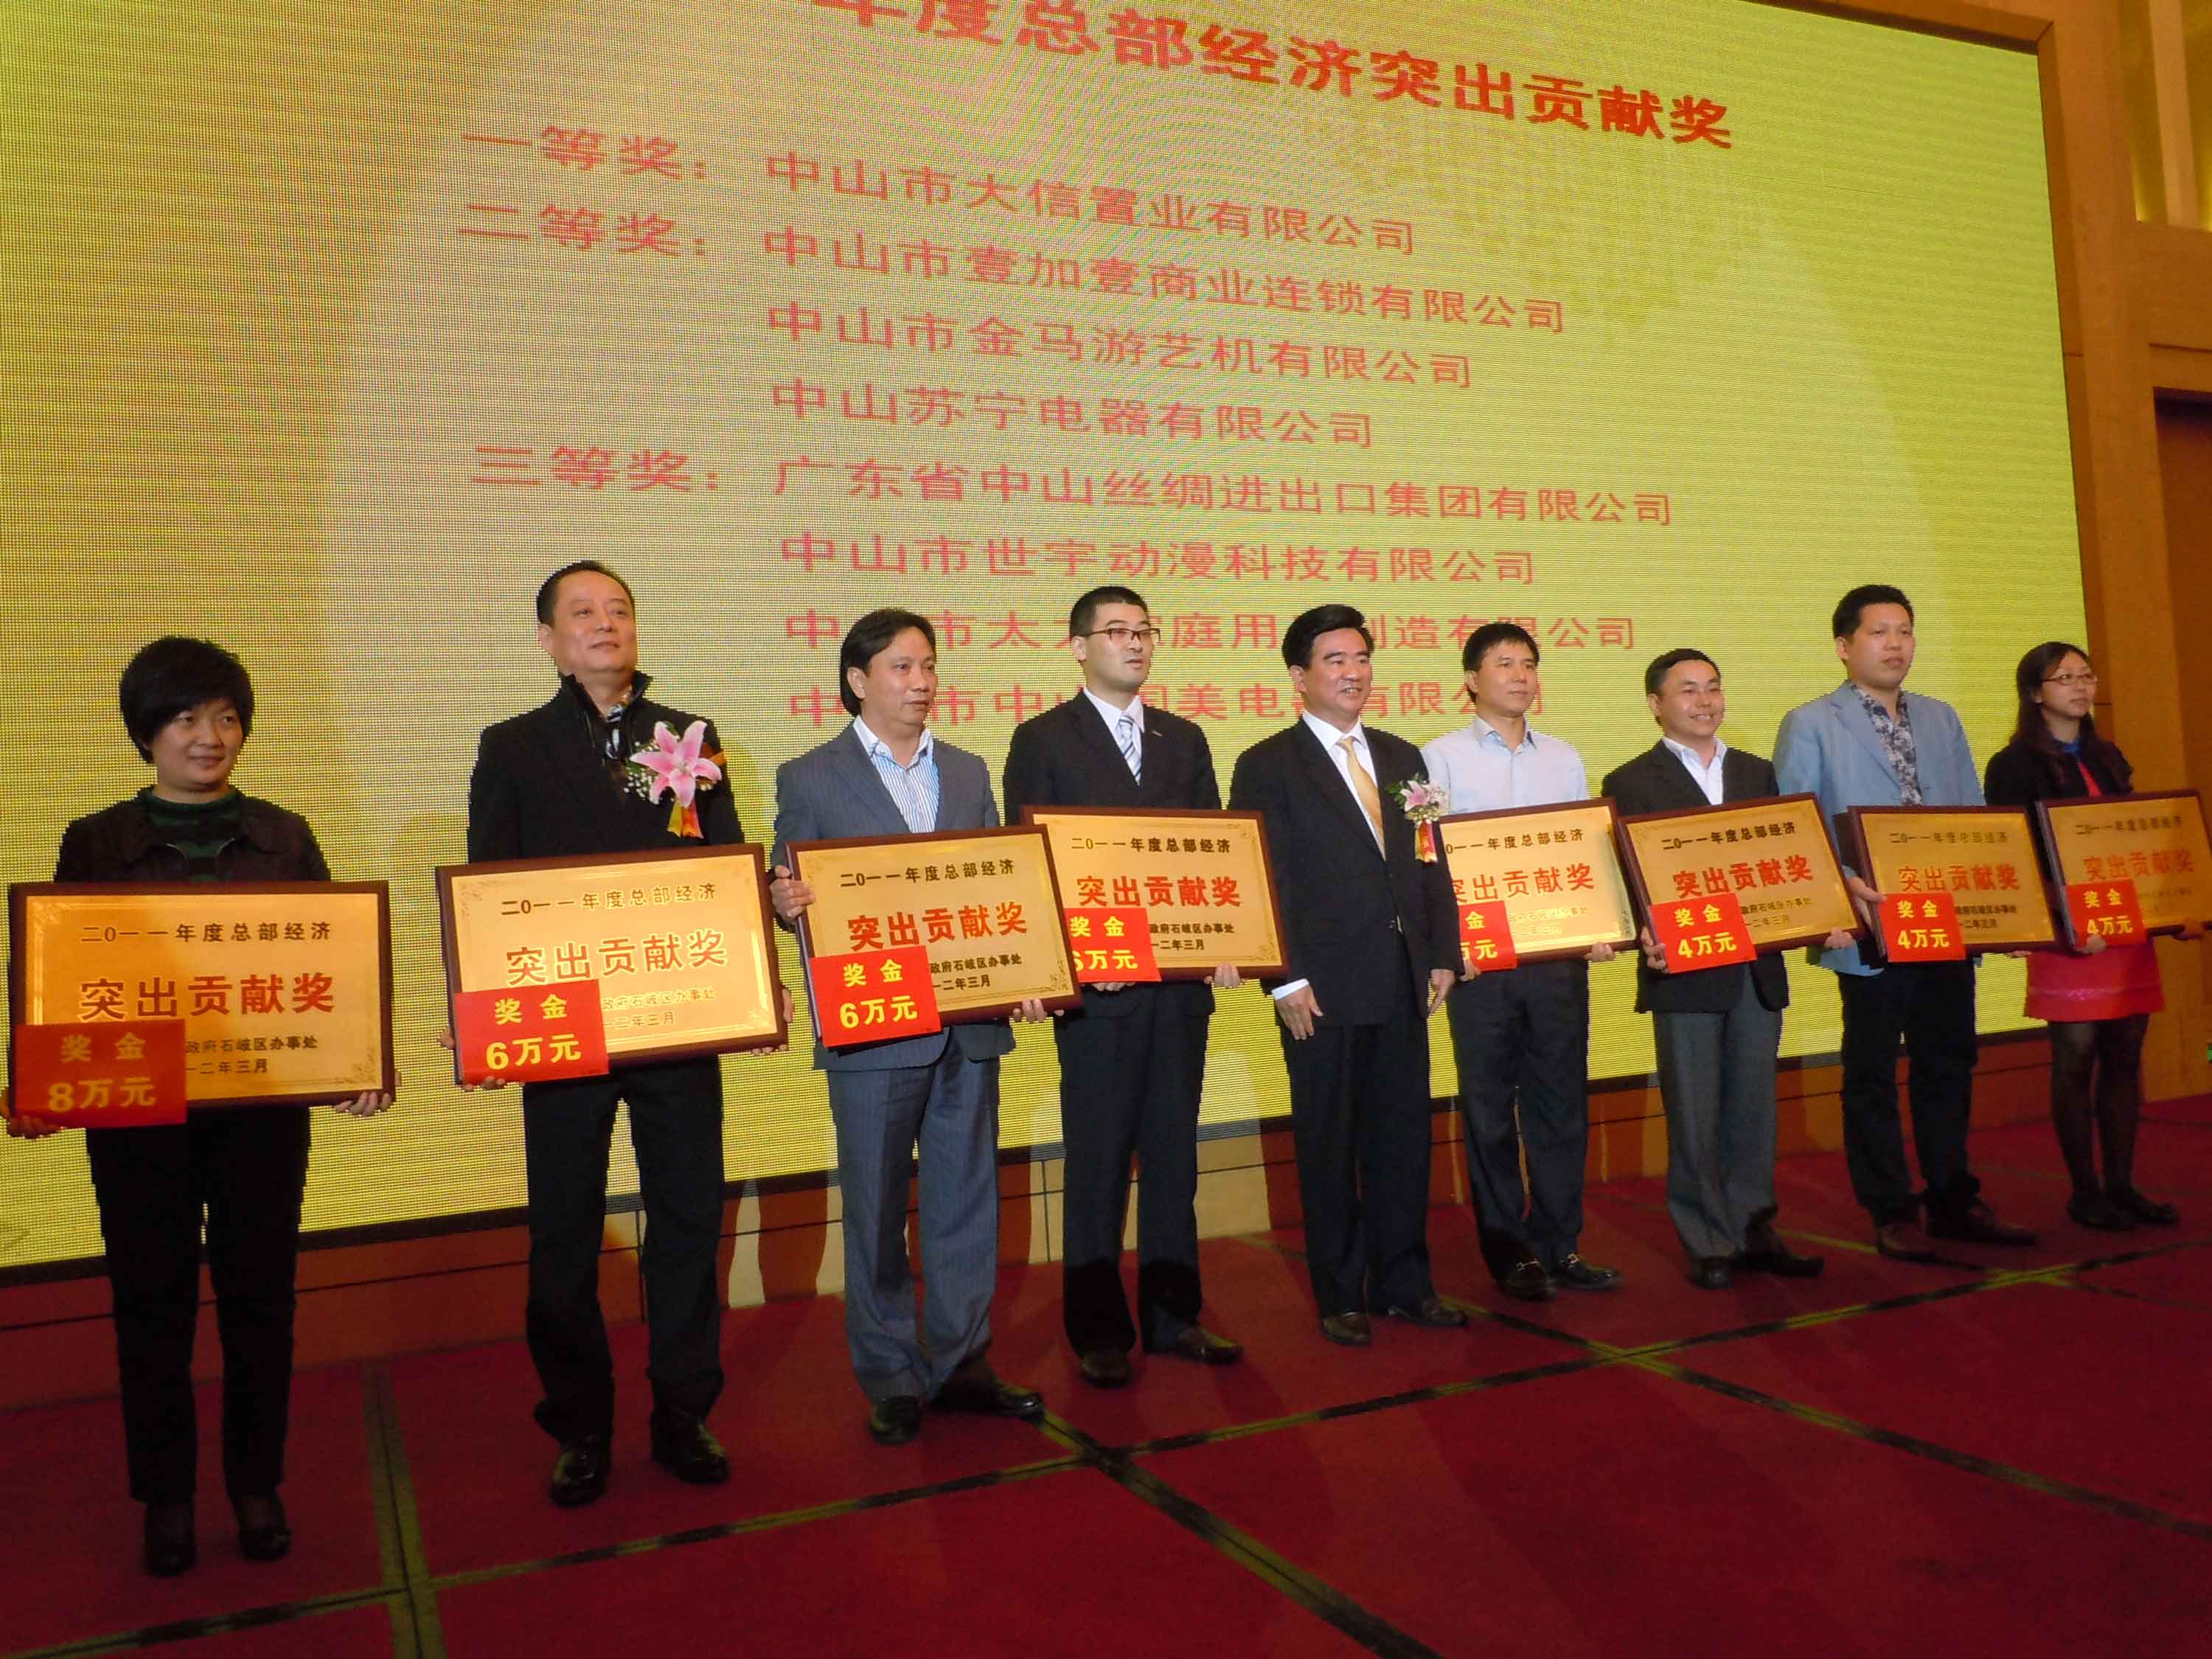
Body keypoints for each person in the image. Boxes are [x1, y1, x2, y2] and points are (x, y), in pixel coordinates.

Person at [6, 636, 392, 1576]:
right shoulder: (95, 841)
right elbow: (62, 974)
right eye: (185, 718)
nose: (209, 736)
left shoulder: (285, 836)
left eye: (225, 717)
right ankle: (168, 1497)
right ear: (147, 732)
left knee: (262, 1301)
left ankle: (256, 1483)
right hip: (140, 1116)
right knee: (152, 1306)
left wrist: (359, 1058)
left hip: (262, 1112)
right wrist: (39, 1077)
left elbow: (330, 966)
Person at [467, 561, 748, 1507]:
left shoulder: (687, 736)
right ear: (548, 640)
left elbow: (723, 869)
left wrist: (756, 960)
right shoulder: (512, 747)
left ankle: (683, 1412)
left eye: (619, 610)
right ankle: (581, 1425)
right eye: (582, 612)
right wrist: (482, 1014)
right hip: (566, 1027)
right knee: (563, 1233)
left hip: (677, 1019)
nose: (605, 624)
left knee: (686, 1220)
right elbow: (489, 891)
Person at [769, 610, 1047, 1445]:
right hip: (875, 1027)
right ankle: (890, 1373)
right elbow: (789, 884)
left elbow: (997, 889)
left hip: (968, 1026)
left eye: (928, 666)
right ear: (857, 680)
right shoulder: (810, 777)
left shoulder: (966, 770)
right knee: (877, 1206)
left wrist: (1032, 972)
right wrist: (783, 901)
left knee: (966, 1201)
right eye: (901, 667)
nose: (921, 682)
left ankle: (963, 1363)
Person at [1001, 586, 1244, 1388]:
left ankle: (1175, 1316)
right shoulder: (1042, 739)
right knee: (1100, 1158)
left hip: (1178, 991)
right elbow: (1028, 865)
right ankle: (1099, 1330)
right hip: (1098, 995)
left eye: (1144, 631)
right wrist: (1063, 965)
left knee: (1174, 1156)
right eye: (1115, 631)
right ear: (1078, 647)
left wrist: (1228, 941)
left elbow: (1212, 852)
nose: (1134, 643)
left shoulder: (1185, 737)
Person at [1773, 584, 2037, 1260]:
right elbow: (1797, 827)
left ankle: (1952, 1197)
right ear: (1844, 646)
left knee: (1948, 1060)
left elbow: (1975, 820)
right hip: (1872, 925)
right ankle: (1890, 1209)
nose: (1895, 644)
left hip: (1947, 922)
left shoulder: (1942, 718)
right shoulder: (1811, 723)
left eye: (1905, 631)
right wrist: (1845, 886)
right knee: (1871, 1073)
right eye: (1879, 632)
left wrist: (2003, 912)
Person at [1227, 605, 1464, 1346]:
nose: (1353, 672)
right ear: (1298, 677)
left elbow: (1430, 860)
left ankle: (1405, 1283)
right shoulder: (1268, 764)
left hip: (1402, 981)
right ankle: (1340, 1292)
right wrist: (1283, 979)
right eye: (1335, 660)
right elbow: (1260, 879)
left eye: (1361, 658)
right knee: (1329, 1145)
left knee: (1403, 1140)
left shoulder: (1400, 756)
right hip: (1320, 990)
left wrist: (1441, 952)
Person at [1601, 650, 1829, 1288]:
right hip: (1685, 970)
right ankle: (1707, 1239)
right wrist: (1641, 930)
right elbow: (1627, 877)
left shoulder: (1757, 771)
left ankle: (1753, 1226)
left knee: (1753, 1108)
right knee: (1695, 1112)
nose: (1704, 701)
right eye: (1688, 691)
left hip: (1757, 967)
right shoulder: (1630, 779)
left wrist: (1822, 910)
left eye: (1712, 688)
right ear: (1656, 705)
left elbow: (1786, 859)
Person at [1422, 623, 1622, 1300]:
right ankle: (1509, 1250)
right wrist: (1449, 949)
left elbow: (1586, 855)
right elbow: (1430, 862)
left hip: (1556, 963)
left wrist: (1603, 923)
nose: (1520, 675)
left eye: (1529, 664)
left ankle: (1561, 1244)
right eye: (1504, 663)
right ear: (1471, 680)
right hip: (1481, 966)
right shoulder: (1439, 758)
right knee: (1488, 1110)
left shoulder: (1563, 758)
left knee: (1561, 1104)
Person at [1983, 641, 2188, 1231]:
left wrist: (2173, 903)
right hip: (2069, 931)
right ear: (2034, 693)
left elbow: (2133, 841)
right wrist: (2065, 918)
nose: (2080, 686)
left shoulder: (2107, 755)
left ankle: (2122, 1186)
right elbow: (2016, 855)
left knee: (2125, 1056)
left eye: (2086, 675)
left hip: (2122, 928)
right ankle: (2085, 1192)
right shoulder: (2013, 764)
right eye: (2064, 678)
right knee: (2075, 1059)